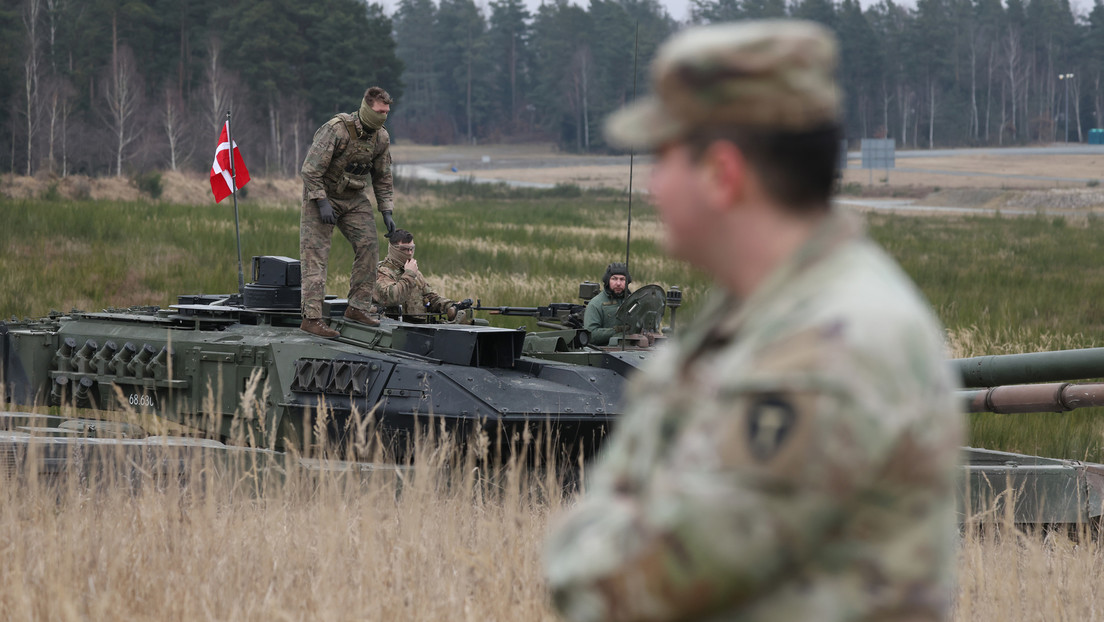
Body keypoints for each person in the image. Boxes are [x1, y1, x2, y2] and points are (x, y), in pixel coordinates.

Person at [544, 20, 963, 622]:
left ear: (723, 174)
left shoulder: (825, 346)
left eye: (664, 158)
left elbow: (622, 586)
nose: (655, 184)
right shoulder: (765, 311)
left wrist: (581, 539)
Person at [299, 86, 398, 338]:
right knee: (316, 255)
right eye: (379, 111)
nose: (383, 116)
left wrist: (386, 210)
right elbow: (310, 170)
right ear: (367, 108)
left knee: (369, 246)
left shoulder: (381, 138)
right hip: (322, 194)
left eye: (387, 112)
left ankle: (358, 307)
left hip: (353, 198)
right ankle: (312, 318)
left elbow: (383, 176)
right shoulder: (337, 129)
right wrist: (321, 202)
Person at [374, 229, 471, 323]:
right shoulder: (382, 272)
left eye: (412, 249)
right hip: (394, 328)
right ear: (394, 249)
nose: (410, 253)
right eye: (405, 249)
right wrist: (409, 275)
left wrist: (450, 306)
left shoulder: (415, 272)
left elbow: (430, 298)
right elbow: (390, 298)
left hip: (419, 327)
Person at [584, 262, 632, 346]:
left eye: (622, 279)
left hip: (634, 349)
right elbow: (591, 334)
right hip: (605, 351)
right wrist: (617, 330)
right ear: (607, 280)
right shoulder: (596, 304)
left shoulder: (633, 301)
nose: (618, 283)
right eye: (614, 279)